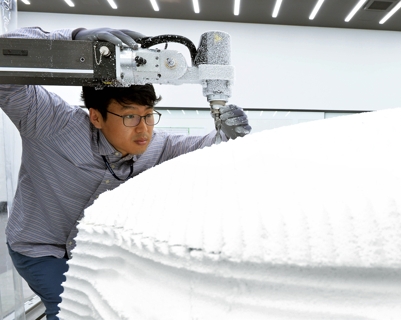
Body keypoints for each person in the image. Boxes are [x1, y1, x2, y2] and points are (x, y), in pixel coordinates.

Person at [0, 27, 251, 320]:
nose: (144, 129)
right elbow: (5, 68)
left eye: (148, 115)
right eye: (130, 116)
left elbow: (211, 148)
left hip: (95, 250)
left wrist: (231, 134)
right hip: (39, 247)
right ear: (96, 116)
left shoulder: (159, 145)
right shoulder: (51, 123)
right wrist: (73, 37)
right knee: (71, 309)